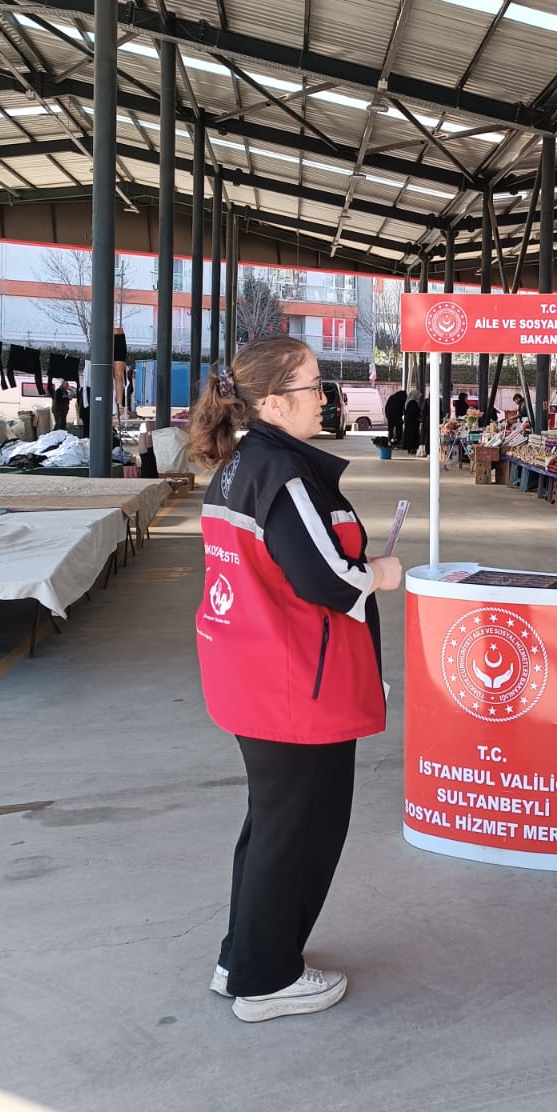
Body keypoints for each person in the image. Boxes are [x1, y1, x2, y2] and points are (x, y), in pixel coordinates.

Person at [186, 337, 403, 1024]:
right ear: (274, 403)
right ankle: (268, 979)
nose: (325, 399)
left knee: (273, 827)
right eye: (314, 386)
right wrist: (381, 573)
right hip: (294, 685)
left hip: (253, 674)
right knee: (301, 832)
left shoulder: (241, 466)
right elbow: (325, 578)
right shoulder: (283, 475)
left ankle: (243, 959)